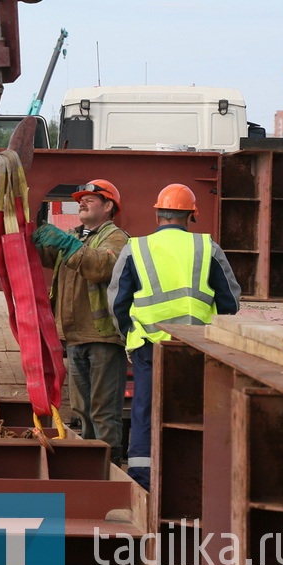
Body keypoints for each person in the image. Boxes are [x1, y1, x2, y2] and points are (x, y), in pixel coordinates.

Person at [108, 183, 241, 490]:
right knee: (195, 410)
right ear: (190, 216)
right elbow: (229, 302)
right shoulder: (208, 248)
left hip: (148, 345)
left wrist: (130, 335)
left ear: (158, 215)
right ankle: (192, 478)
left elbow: (118, 302)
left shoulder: (136, 248)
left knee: (145, 409)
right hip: (196, 346)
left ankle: (143, 479)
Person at [32, 179, 129, 465]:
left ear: (108, 206)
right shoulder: (78, 237)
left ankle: (109, 467)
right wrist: (29, 236)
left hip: (102, 338)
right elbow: (44, 256)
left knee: (103, 411)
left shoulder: (116, 237)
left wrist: (65, 242)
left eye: (90, 198)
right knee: (82, 409)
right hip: (75, 337)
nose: (81, 202)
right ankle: (89, 464)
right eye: (80, 198)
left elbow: (101, 267)